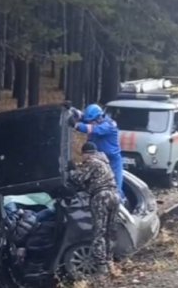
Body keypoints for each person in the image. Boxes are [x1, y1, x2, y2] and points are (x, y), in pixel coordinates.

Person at [68, 142, 121, 275]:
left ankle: (101, 268)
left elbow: (79, 179)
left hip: (101, 196)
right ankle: (110, 263)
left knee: (99, 232)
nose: (83, 158)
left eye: (83, 155)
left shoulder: (92, 162)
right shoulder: (104, 161)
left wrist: (71, 170)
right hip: (114, 196)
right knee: (110, 231)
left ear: (86, 153)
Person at [69, 103, 125, 200]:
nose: (90, 123)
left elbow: (94, 130)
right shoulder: (96, 120)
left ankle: (122, 207)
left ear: (99, 118)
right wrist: (71, 110)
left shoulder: (109, 125)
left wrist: (76, 125)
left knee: (116, 189)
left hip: (112, 161)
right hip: (97, 161)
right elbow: (83, 117)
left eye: (92, 122)